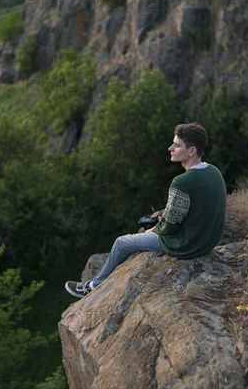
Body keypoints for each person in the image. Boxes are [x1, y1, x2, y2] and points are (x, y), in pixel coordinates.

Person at [65, 122, 227, 298]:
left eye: (177, 145)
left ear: (191, 151)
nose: (170, 148)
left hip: (188, 245)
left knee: (122, 242)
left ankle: (92, 286)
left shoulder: (182, 182)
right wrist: (163, 216)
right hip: (208, 242)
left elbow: (169, 227)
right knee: (158, 217)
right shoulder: (214, 171)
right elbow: (197, 207)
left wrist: (155, 229)